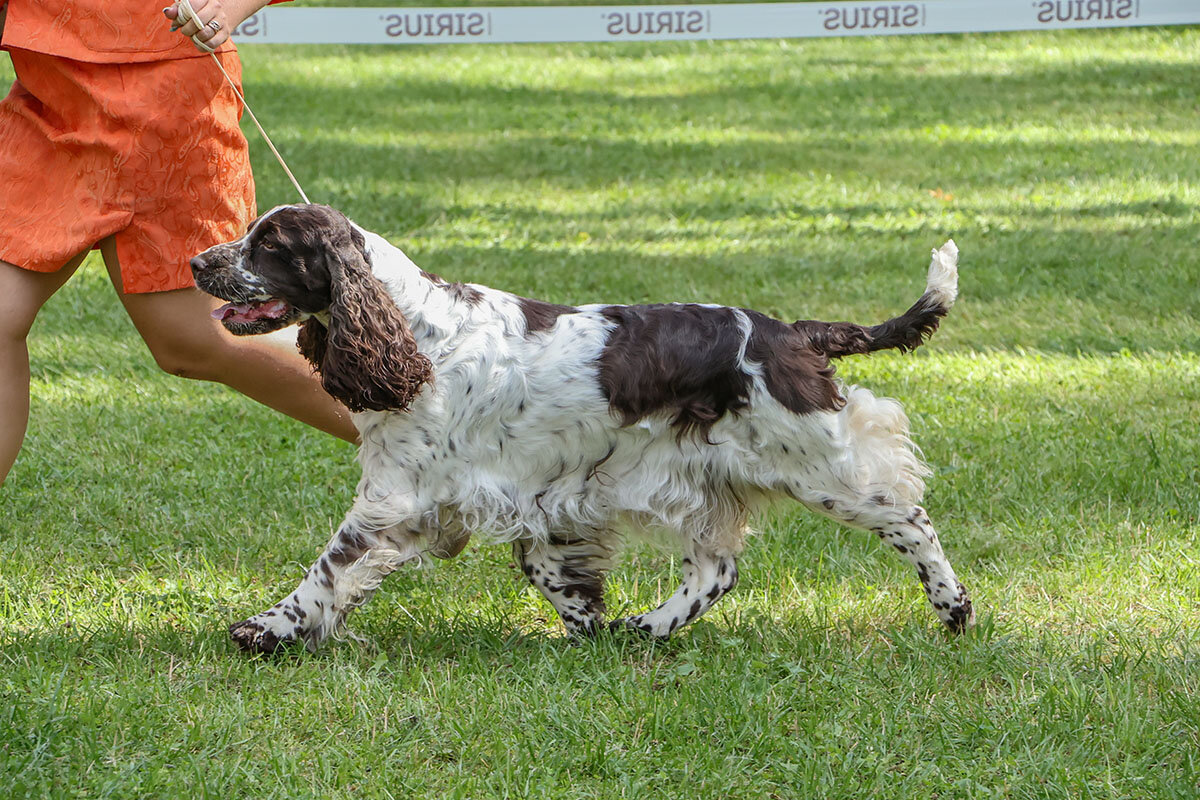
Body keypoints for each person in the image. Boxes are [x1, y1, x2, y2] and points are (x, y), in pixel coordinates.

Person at [0, 0, 359, 486]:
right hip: (48, 99)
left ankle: (436, 437)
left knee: (194, 339)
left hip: (172, 105)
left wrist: (229, 7)